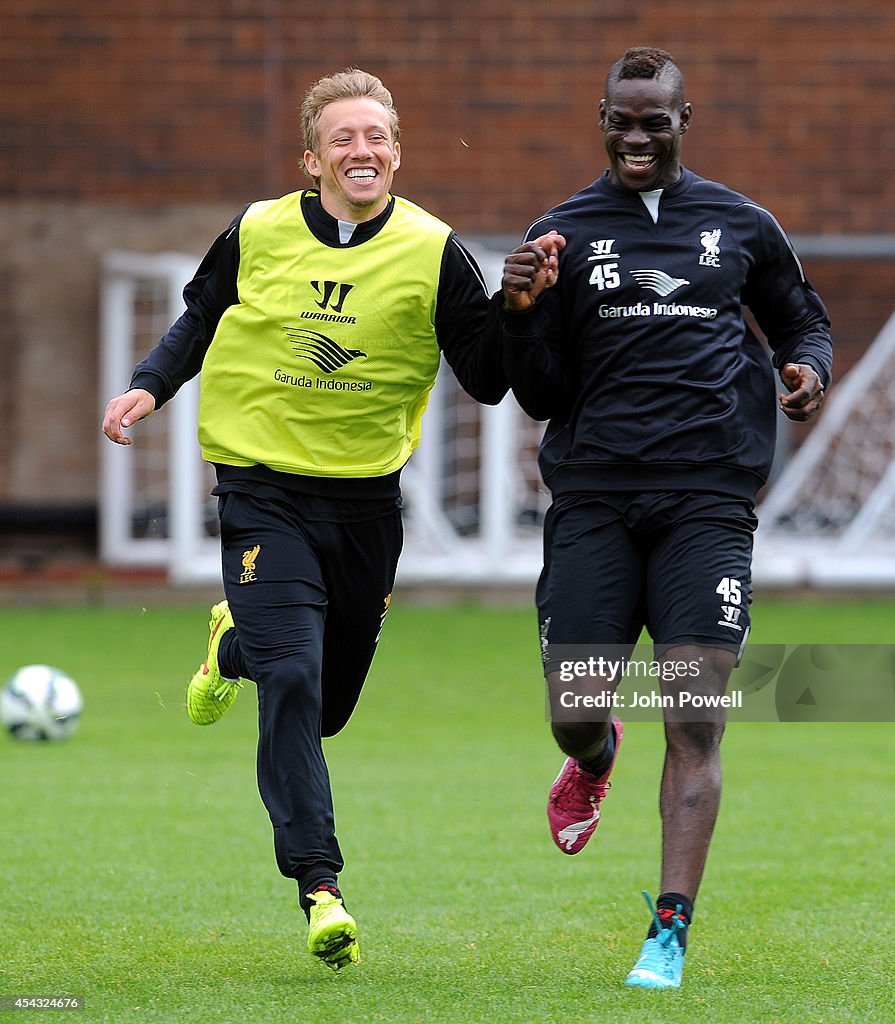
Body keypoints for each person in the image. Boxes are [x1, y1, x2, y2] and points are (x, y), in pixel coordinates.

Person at [102, 68, 509, 971]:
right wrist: (146, 386)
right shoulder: (255, 231)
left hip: (364, 501)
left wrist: (519, 310)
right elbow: (197, 319)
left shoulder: (436, 250)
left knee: (323, 708)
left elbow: (486, 376)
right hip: (261, 489)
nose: (360, 151)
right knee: (292, 682)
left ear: (397, 153)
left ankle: (231, 645)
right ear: (311, 157)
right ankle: (320, 887)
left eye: (377, 137)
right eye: (343, 138)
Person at [494, 47, 831, 990]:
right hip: (594, 498)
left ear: (687, 120)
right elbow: (539, 390)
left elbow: (801, 320)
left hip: (707, 501)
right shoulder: (559, 232)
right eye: (620, 120)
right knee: (572, 713)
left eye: (654, 121)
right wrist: (520, 309)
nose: (635, 137)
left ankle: (669, 930)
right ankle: (593, 762)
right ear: (599, 120)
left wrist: (808, 372)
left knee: (694, 717)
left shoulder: (741, 225)